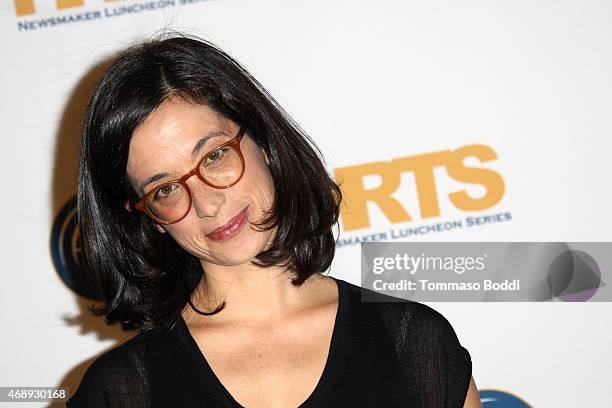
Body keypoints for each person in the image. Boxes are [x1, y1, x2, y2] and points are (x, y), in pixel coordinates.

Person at [67, 32, 481, 408]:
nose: (208, 203)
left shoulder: (413, 343)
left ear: (261, 139)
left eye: (214, 156)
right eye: (166, 190)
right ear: (150, 218)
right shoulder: (119, 391)